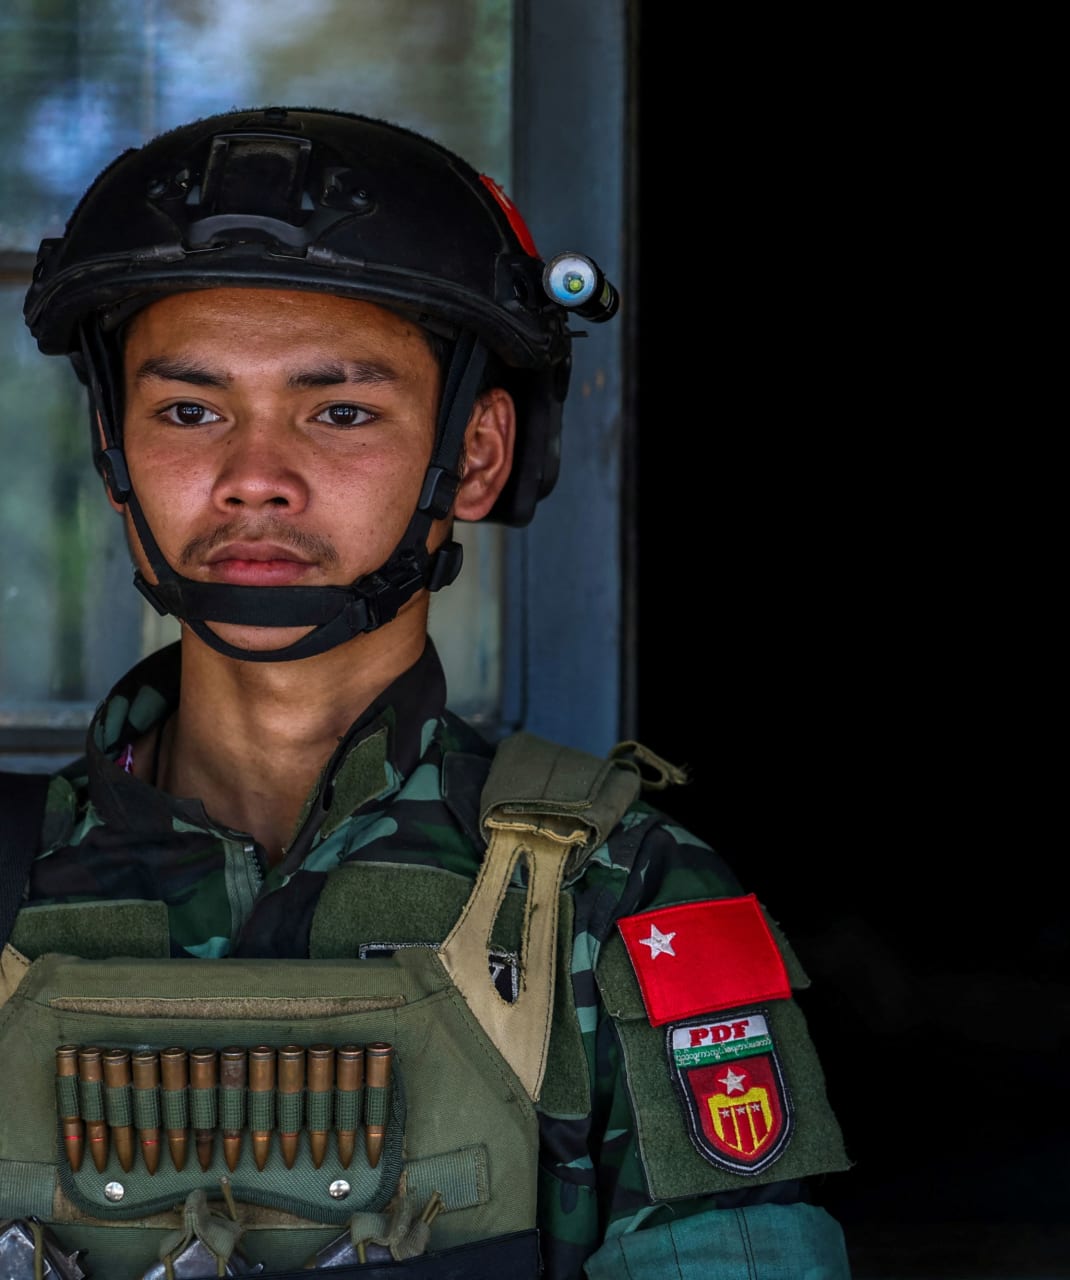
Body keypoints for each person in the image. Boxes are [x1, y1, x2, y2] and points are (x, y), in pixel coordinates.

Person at [0, 108, 851, 1278]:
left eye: (339, 411)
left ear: (479, 453)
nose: (255, 477)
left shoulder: (619, 894)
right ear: (114, 445)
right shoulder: (7, 885)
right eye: (190, 410)